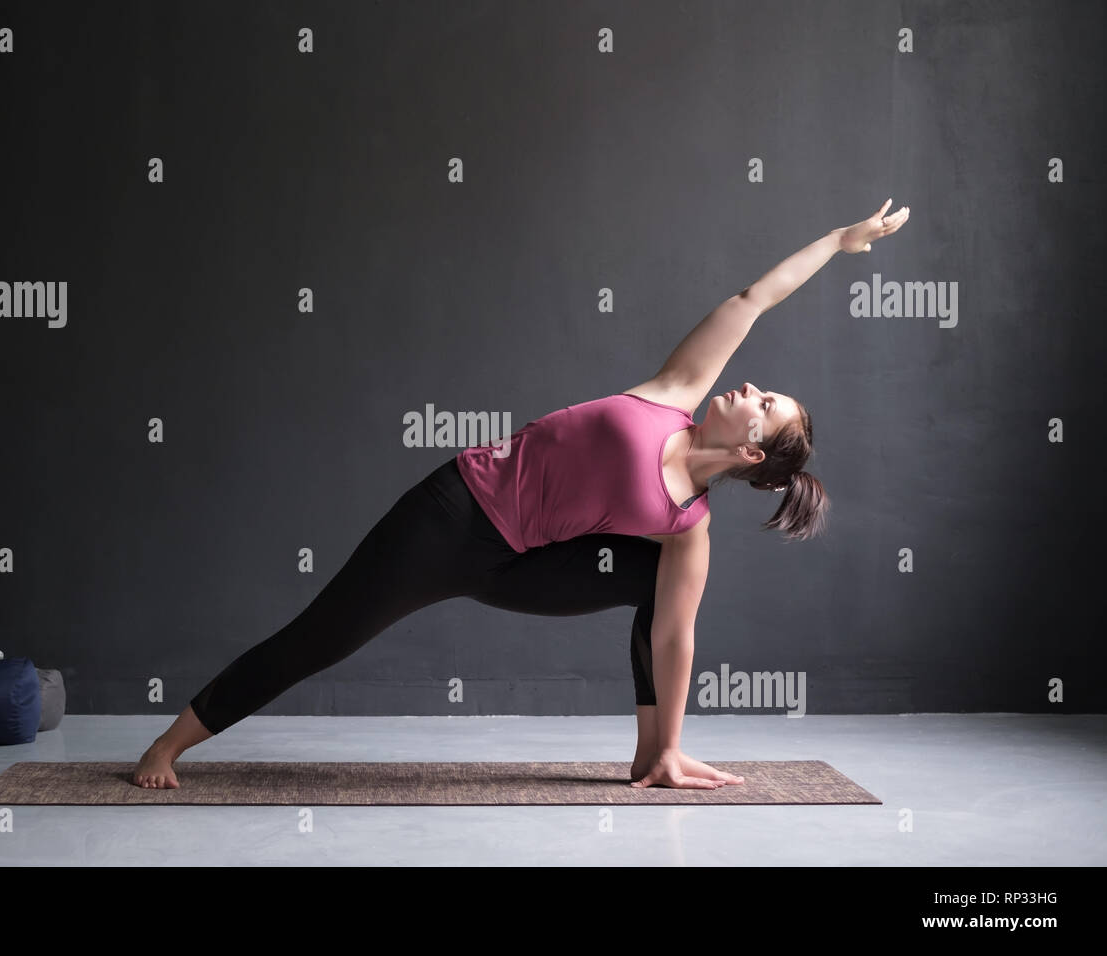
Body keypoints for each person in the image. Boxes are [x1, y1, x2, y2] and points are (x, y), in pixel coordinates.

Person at [132, 199, 910, 790]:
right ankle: (168, 745)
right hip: (452, 515)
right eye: (767, 390)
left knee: (661, 589)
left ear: (749, 451)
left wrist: (673, 738)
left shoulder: (687, 525)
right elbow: (752, 300)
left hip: (519, 564)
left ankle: (655, 755)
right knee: (321, 638)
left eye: (766, 404)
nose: (752, 387)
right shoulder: (674, 391)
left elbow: (675, 640)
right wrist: (839, 244)